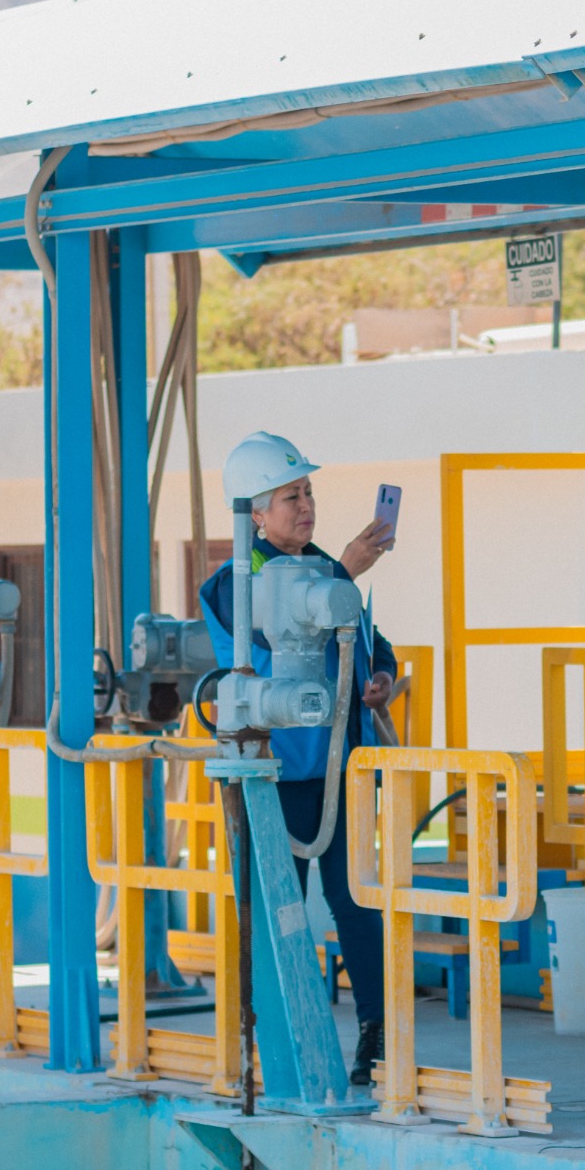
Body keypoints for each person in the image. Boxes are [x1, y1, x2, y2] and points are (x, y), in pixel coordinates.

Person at [199, 432, 399, 1088]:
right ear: (253, 514)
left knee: (355, 903)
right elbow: (276, 632)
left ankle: (378, 1039)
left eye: (308, 492)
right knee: (280, 912)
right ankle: (279, 1045)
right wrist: (343, 571)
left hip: (338, 768)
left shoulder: (320, 569)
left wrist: (382, 678)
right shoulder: (237, 582)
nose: (305, 505)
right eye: (290, 496)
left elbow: (370, 642)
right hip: (274, 775)